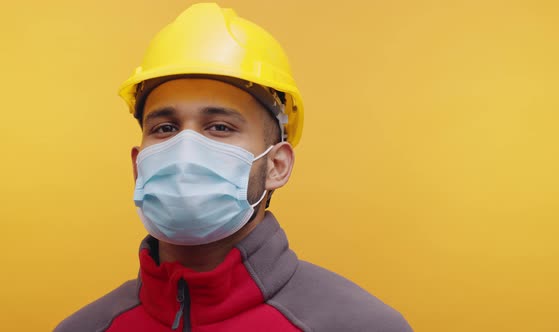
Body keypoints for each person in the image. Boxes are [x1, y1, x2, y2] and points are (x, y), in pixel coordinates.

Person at [55, 3, 412, 331]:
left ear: (277, 164)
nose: (185, 150)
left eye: (220, 127)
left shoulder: (362, 325)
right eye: (165, 128)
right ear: (138, 166)